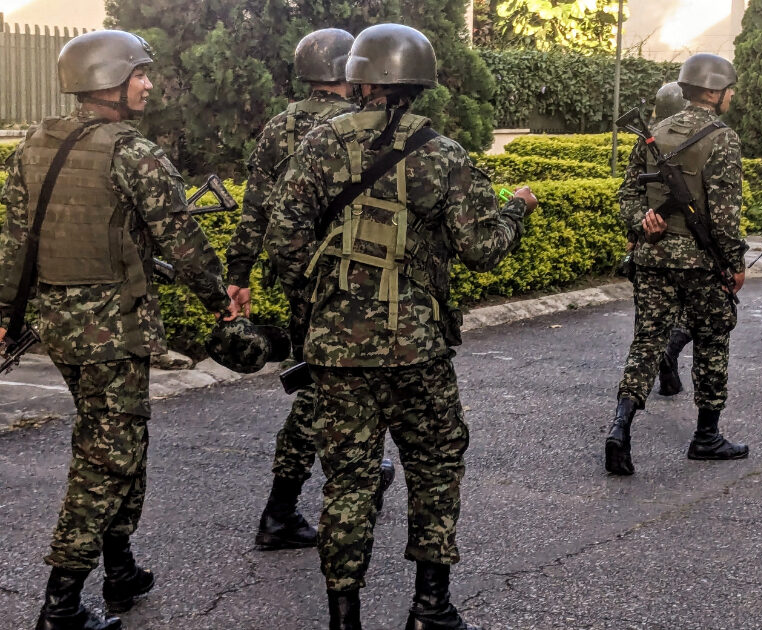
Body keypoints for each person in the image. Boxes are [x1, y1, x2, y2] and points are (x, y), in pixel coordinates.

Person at [264, 24, 537, 630]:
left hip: (336, 351)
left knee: (348, 480)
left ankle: (344, 618)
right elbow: (482, 249)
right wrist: (517, 209)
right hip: (417, 349)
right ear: (419, 83)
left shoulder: (319, 144)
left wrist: (322, 302)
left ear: (359, 78)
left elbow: (283, 241)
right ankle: (430, 607)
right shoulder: (443, 153)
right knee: (435, 464)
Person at [0, 30, 234, 629]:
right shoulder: (134, 154)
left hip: (59, 329)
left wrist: (5, 315)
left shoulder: (33, 145)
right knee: (106, 459)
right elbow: (183, 242)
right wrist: (222, 304)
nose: (148, 84)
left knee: (119, 440)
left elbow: (13, 243)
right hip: (112, 332)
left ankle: (121, 568)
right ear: (109, 80)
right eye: (140, 74)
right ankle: (61, 605)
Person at [223, 27, 396, 552]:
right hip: (351, 280)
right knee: (330, 388)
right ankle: (287, 507)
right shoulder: (360, 126)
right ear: (350, 70)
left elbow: (255, 209)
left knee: (320, 381)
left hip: (297, 277)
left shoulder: (280, 126)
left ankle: (355, 475)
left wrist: (240, 273)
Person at [606, 52, 749, 476]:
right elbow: (725, 215)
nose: (731, 96)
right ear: (713, 91)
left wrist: (641, 220)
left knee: (646, 343)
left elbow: (627, 195)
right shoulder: (723, 138)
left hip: (652, 259)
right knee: (712, 340)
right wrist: (734, 263)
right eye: (729, 90)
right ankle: (706, 437)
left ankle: (620, 427)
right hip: (701, 263)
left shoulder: (654, 133)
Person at [648, 80, 695, 398]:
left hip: (651, 244)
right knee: (701, 310)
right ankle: (671, 352)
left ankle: (668, 376)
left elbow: (630, 192)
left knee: (656, 317)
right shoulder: (704, 137)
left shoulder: (649, 139)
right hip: (690, 245)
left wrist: (637, 231)